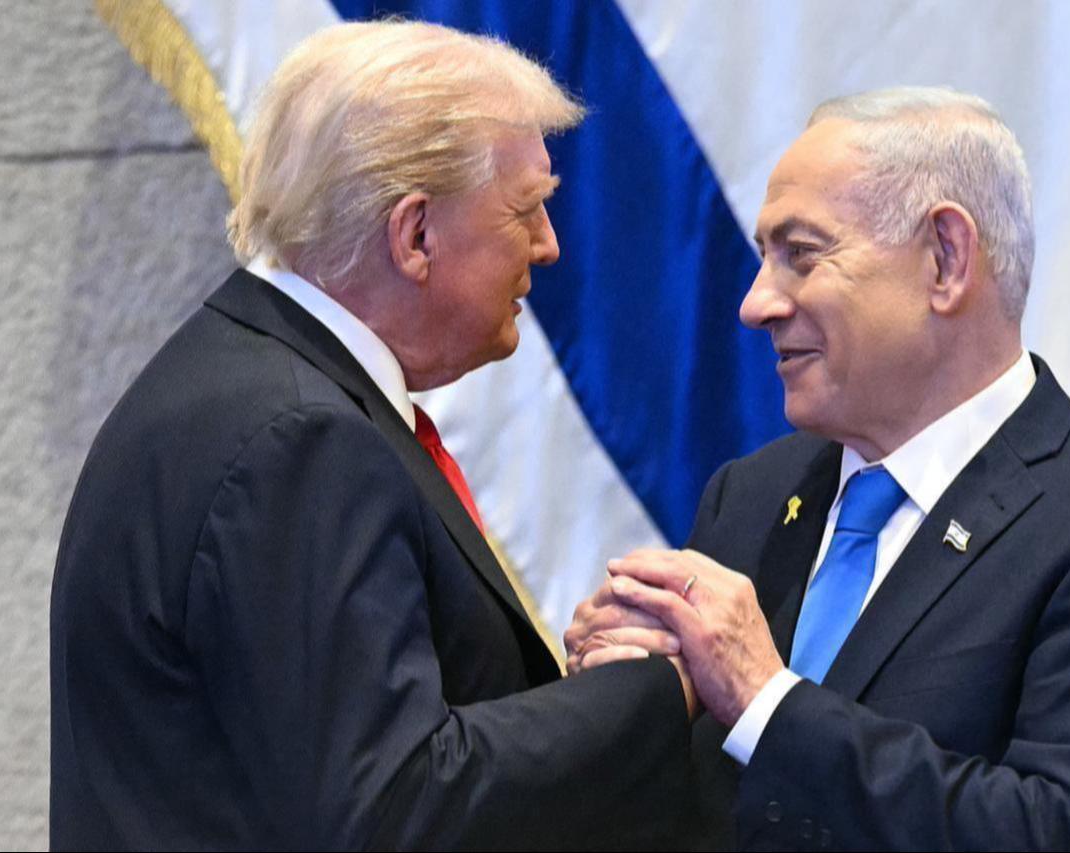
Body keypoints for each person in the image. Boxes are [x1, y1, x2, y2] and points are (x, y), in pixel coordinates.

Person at [50, 21, 692, 851]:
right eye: (527, 209)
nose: (549, 245)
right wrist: (652, 688)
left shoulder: (242, 383)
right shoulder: (298, 441)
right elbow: (391, 804)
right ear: (415, 235)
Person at [567, 87, 1070, 850]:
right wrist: (627, 699)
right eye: (764, 259)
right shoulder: (750, 496)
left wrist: (766, 699)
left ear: (946, 259)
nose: (756, 303)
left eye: (802, 255)